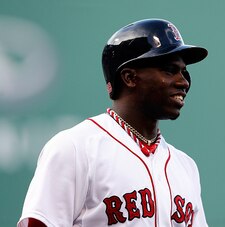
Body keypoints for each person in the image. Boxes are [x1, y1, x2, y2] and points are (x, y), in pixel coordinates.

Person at [18, 18, 208, 227]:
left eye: (184, 72)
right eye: (170, 70)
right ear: (130, 78)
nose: (183, 82)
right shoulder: (74, 148)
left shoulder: (186, 167)